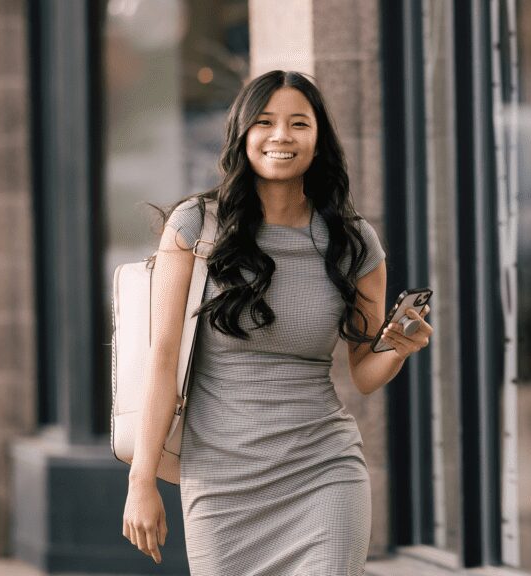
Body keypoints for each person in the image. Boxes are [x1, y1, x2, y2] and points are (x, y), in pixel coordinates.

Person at [121, 69, 432, 575]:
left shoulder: (353, 244)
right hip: (222, 481)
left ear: (318, 140)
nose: (281, 136)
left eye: (298, 124)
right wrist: (142, 481)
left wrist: (396, 347)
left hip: (323, 471)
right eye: (265, 122)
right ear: (242, 134)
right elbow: (161, 360)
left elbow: (363, 375)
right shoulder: (197, 227)